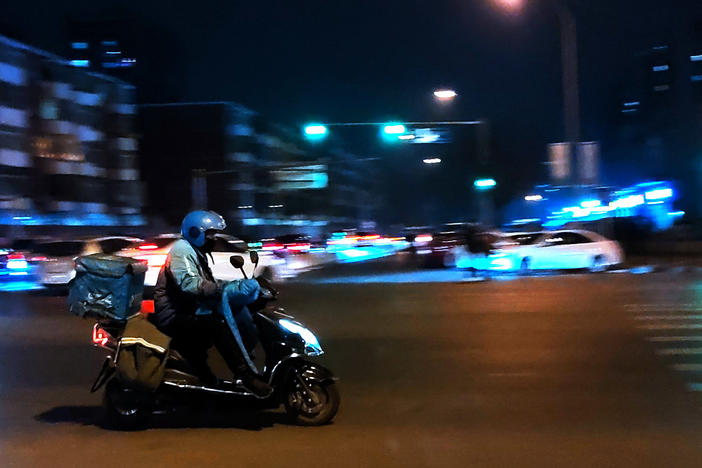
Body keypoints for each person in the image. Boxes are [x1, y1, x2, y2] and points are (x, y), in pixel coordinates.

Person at [150, 210, 273, 397]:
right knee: (217, 326)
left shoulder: (196, 252)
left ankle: (223, 371)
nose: (214, 239)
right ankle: (245, 376)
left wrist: (235, 289)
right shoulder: (181, 250)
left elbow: (207, 283)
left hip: (188, 309)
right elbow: (190, 284)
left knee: (237, 312)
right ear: (195, 232)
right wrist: (222, 289)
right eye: (210, 235)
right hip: (174, 315)